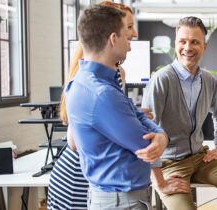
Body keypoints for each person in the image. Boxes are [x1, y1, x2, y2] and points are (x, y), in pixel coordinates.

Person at [141, 16, 217, 210]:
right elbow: (147, 133)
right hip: (170, 164)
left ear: (204, 46)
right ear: (176, 43)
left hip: (200, 158)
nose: (188, 47)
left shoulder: (208, 80)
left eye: (194, 42)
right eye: (182, 41)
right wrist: (159, 181)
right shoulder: (161, 80)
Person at [64, 4, 168, 209]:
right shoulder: (103, 94)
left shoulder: (85, 81)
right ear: (113, 39)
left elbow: (134, 113)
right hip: (121, 201)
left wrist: (156, 132)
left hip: (113, 197)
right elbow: (146, 145)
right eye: (125, 35)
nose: (129, 45)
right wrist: (162, 136)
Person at [48, 2, 149, 209]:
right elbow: (74, 141)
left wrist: (126, 117)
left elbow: (109, 119)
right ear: (112, 34)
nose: (134, 33)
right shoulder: (89, 79)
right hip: (79, 176)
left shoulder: (114, 74)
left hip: (100, 176)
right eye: (128, 27)